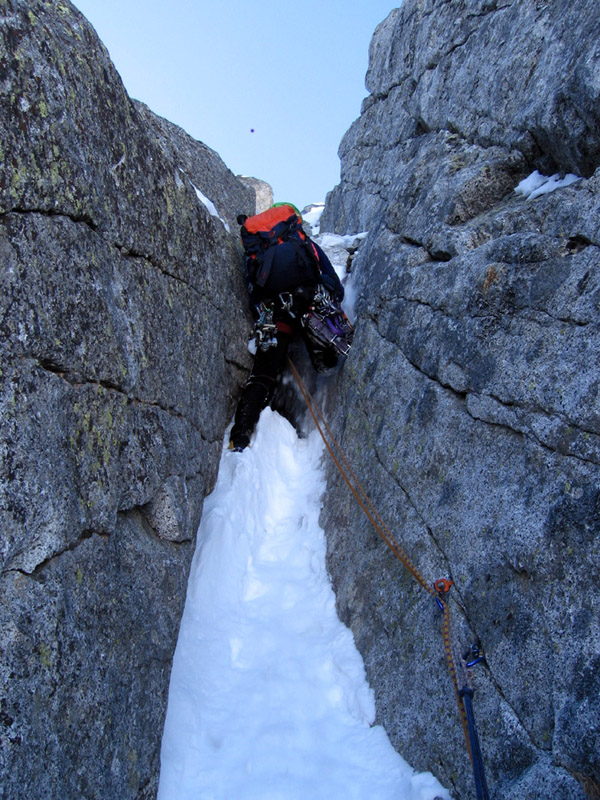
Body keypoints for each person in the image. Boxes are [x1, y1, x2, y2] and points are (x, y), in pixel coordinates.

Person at [229, 203, 348, 452]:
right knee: (324, 352)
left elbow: (253, 290)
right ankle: (323, 368)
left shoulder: (257, 249)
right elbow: (331, 280)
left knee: (263, 374)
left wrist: (264, 318)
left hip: (275, 311)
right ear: (294, 222)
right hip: (308, 304)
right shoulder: (301, 241)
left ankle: (239, 437)